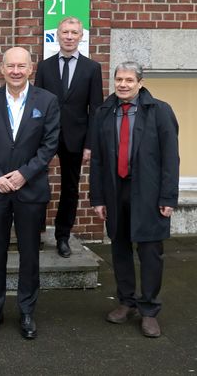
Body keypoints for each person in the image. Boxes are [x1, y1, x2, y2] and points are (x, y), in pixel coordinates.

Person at [0, 47, 59, 340]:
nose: (16, 71)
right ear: (2, 69)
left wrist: (24, 174)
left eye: (21, 65)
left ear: (30, 68)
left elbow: (49, 145)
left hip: (30, 190)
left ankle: (26, 311)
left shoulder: (47, 101)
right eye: (11, 65)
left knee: (29, 255)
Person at [89, 61, 179, 338]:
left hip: (150, 193)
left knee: (150, 251)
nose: (123, 85)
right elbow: (99, 161)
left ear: (140, 82)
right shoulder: (105, 112)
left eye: (129, 80)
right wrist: (98, 197)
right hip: (116, 191)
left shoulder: (159, 111)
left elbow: (170, 158)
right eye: (119, 79)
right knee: (120, 247)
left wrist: (168, 196)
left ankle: (149, 310)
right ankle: (126, 301)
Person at [34, 16, 103, 257]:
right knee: (36, 182)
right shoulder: (44, 66)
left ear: (81, 36)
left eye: (74, 32)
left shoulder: (92, 68)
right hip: (46, 135)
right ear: (58, 35)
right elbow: (36, 104)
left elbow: (96, 109)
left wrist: (89, 144)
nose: (70, 37)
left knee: (70, 188)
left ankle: (62, 236)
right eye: (65, 32)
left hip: (76, 137)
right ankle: (36, 231)